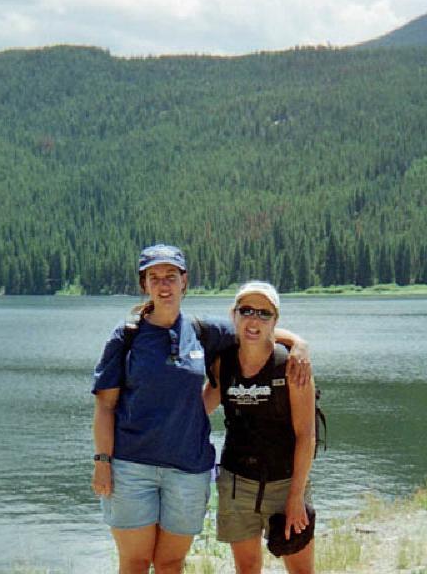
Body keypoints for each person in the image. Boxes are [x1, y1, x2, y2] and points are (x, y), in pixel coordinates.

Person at [91, 245, 310, 574]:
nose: (164, 285)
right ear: (144, 284)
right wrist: (102, 461)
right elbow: (106, 405)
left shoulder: (202, 332)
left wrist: (298, 344)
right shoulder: (127, 335)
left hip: (188, 470)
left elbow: (253, 331)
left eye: (171, 277)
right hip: (132, 467)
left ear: (184, 282)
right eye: (155, 277)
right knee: (135, 563)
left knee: (169, 563)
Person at [204, 281, 316, 574]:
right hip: (236, 483)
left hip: (284, 483)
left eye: (264, 313)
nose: (254, 319)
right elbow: (198, 409)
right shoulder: (223, 363)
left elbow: (306, 436)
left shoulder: (292, 366)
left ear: (275, 320)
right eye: (246, 310)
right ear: (234, 315)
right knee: (247, 568)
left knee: (301, 569)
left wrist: (296, 497)